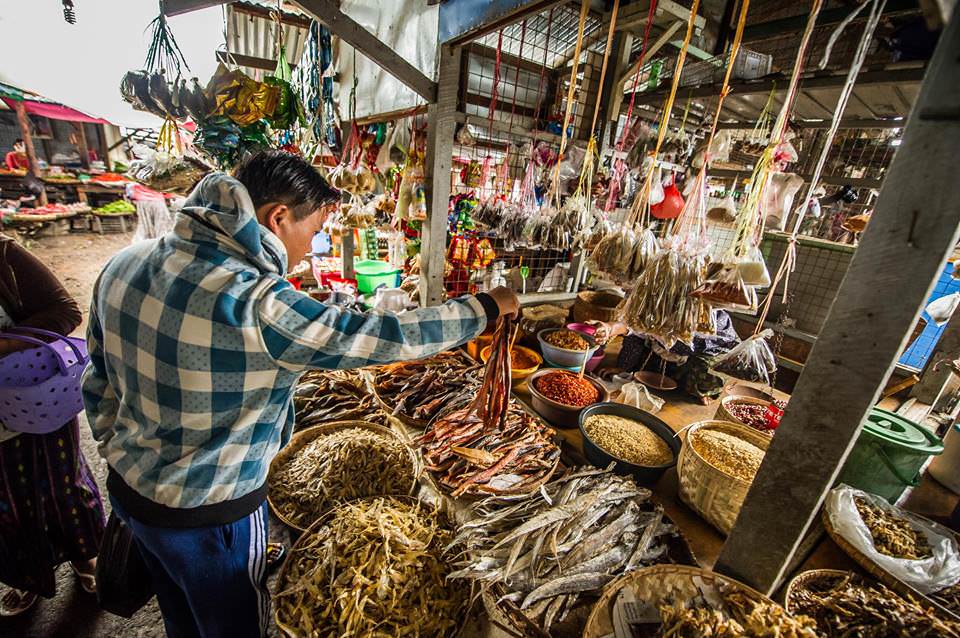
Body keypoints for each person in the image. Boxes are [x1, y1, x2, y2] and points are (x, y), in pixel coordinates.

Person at [82, 150, 519, 638]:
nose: (308, 250)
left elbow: (96, 383)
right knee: (234, 624)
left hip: (129, 495)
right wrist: (483, 308)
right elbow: (379, 336)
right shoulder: (257, 303)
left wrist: (120, 454)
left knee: (180, 612)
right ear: (278, 218)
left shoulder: (124, 263)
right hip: (212, 519)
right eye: (311, 233)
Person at [0, 237, 106, 616]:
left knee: (61, 483)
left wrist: (6, 344)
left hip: (32, 397)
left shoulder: (6, 255)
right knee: (7, 502)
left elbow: (64, 311)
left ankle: (87, 558)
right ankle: (26, 574)